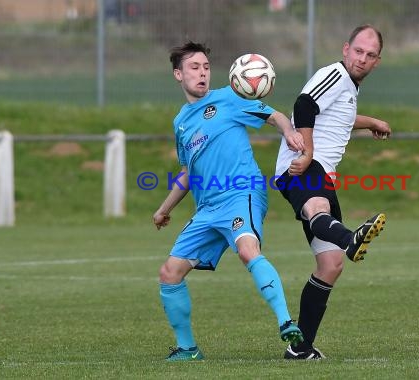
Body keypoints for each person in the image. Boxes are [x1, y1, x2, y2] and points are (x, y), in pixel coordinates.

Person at [154, 41, 305, 361]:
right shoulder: (181, 122)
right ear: (177, 75)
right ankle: (187, 349)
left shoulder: (229, 98)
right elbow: (187, 172)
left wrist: (289, 132)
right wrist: (164, 209)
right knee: (169, 273)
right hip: (207, 209)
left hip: (242, 193)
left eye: (206, 67)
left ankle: (286, 322)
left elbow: (275, 115)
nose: (202, 73)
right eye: (194, 68)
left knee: (248, 250)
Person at [274, 24, 392, 360]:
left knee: (330, 264)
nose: (362, 58)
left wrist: (372, 122)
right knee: (317, 211)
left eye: (369, 55)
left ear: (377, 61)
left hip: (321, 171)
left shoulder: (348, 88)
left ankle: (300, 348)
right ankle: (352, 239)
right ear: (345, 49)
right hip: (303, 165)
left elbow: (339, 116)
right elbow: (305, 104)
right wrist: (307, 153)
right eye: (358, 51)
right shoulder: (337, 75)